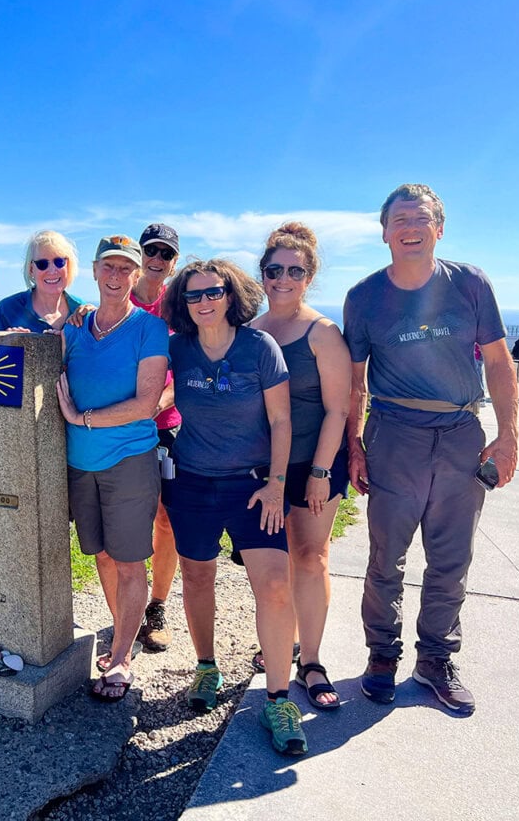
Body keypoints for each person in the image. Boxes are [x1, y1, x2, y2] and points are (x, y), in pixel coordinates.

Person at [345, 183, 518, 716]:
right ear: (384, 232)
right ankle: (381, 658)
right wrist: (354, 443)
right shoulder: (364, 296)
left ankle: (436, 659)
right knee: (385, 558)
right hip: (394, 434)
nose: (410, 226)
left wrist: (509, 434)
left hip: (462, 434)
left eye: (421, 217)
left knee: (451, 559)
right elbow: (356, 381)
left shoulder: (469, 283)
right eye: (399, 218)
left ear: (439, 229)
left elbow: (497, 359)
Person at [162, 258, 308, 756]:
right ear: (183, 302)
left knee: (273, 585)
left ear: (231, 295)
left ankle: (279, 698)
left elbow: (282, 422)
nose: (204, 302)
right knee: (198, 577)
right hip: (192, 482)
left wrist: (275, 485)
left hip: (253, 487)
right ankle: (207, 667)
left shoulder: (259, 347)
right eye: (194, 295)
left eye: (213, 292)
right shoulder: (177, 348)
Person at [56, 236, 168, 702]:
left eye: (126, 269)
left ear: (137, 276)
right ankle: (122, 631)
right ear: (96, 272)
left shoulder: (149, 329)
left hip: (128, 461)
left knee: (128, 560)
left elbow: (146, 404)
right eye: (109, 267)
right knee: (101, 556)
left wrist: (81, 419)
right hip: (79, 463)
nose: (117, 277)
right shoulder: (75, 327)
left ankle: (122, 655)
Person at [249, 223, 351, 709]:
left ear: (308, 276)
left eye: (295, 270)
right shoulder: (252, 331)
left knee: (310, 557)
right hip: (266, 469)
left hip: (315, 464)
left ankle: (310, 660)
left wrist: (321, 471)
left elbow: (339, 408)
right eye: (274, 270)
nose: (283, 278)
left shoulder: (323, 333)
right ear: (263, 275)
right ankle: (280, 644)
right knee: (276, 563)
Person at [131, 223, 182, 652]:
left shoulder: (181, 306)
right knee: (128, 520)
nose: (158, 260)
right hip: (124, 428)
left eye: (166, 254)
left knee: (166, 520)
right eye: (152, 251)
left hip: (168, 426)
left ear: (174, 262)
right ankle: (126, 606)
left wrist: (159, 402)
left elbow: (190, 365)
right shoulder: (116, 298)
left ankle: (157, 606)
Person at [0, 231, 84, 331]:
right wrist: (11, 342)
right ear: (31, 269)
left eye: (59, 262)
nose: (52, 271)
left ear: (68, 265)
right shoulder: (7, 309)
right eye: (42, 264)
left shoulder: (81, 311)